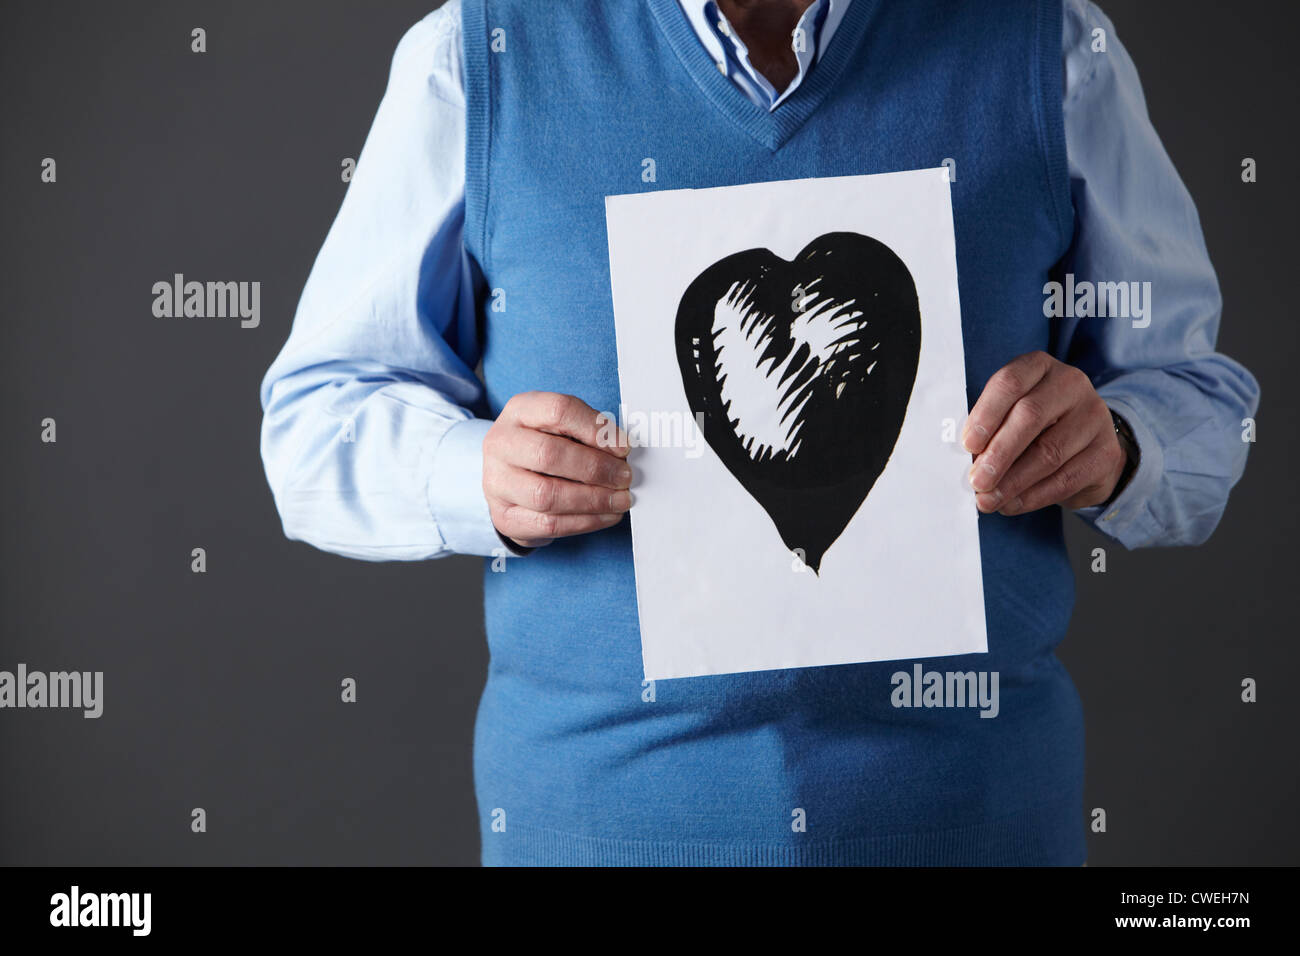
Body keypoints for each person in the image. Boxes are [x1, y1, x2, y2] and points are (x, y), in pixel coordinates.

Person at [259, 0, 1259, 865]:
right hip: (594, 829)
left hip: (976, 824)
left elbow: (1199, 399)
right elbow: (313, 421)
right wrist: (469, 474)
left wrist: (1122, 443)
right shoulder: (474, 58)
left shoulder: (1050, 48)